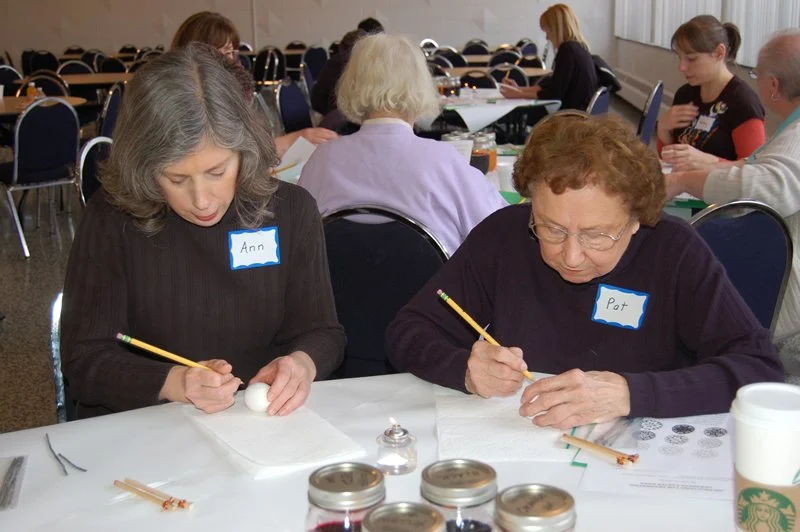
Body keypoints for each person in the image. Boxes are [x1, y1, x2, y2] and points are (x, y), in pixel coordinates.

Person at [386, 112, 784, 428]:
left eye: (596, 236)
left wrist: (632, 393)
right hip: (522, 447)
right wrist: (465, 370)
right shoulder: (504, 235)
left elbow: (758, 368)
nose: (571, 256)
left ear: (635, 220)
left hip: (635, 463)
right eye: (551, 229)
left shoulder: (673, 251)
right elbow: (408, 332)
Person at [60, 44, 345, 418]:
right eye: (176, 178)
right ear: (144, 168)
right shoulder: (114, 218)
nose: (202, 201)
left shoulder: (291, 210)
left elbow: (323, 331)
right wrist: (177, 382)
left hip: (259, 423)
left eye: (217, 172)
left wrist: (301, 364)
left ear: (246, 151)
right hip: (145, 425)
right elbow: (84, 358)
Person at [666, 30, 800, 382]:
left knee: (674, 264)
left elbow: (768, 183)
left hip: (784, 295)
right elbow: (757, 164)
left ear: (772, 85)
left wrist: (686, 180)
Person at [297, 34, 507, 256]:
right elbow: (501, 230)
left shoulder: (323, 159)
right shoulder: (443, 159)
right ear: (420, 86)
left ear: (351, 84)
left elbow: (295, 236)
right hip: (436, 290)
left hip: (336, 289)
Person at [171, 11, 337, 156]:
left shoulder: (228, 94)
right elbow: (224, 157)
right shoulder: (187, 104)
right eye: (226, 52)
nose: (237, 62)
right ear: (197, 55)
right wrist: (291, 141)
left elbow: (244, 148)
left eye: (233, 52)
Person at [658, 16, 765, 170]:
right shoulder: (685, 94)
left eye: (691, 59)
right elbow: (669, 160)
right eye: (680, 58)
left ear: (719, 53)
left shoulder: (744, 103)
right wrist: (663, 128)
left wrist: (711, 162)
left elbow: (755, 171)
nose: (682, 67)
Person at [500, 3, 598, 111]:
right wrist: (519, 90)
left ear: (556, 29)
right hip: (580, 111)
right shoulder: (578, 47)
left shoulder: (567, 50)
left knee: (528, 112)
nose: (547, 37)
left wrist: (518, 94)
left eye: (547, 31)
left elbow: (553, 94)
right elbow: (554, 86)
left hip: (570, 116)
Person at [311, 29, 365, 116]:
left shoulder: (334, 62)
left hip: (334, 119)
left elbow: (316, 101)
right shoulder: (372, 66)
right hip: (358, 121)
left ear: (341, 48)